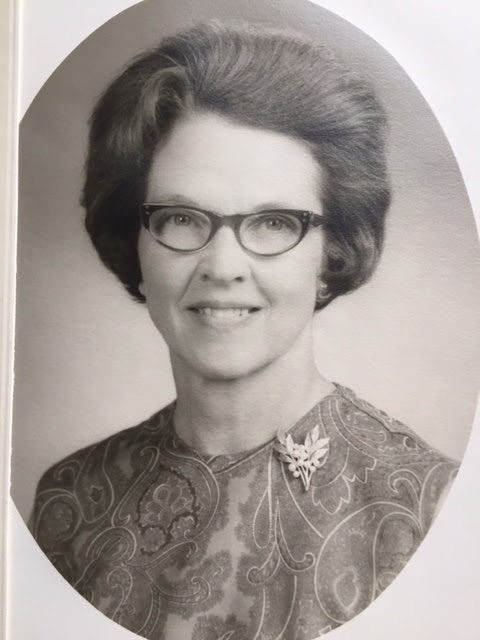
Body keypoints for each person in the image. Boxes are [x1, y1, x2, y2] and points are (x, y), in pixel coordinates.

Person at [29, 21, 458, 640]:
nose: (223, 267)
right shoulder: (69, 503)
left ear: (332, 252)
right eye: (182, 217)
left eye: (274, 222)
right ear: (134, 241)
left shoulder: (431, 509)